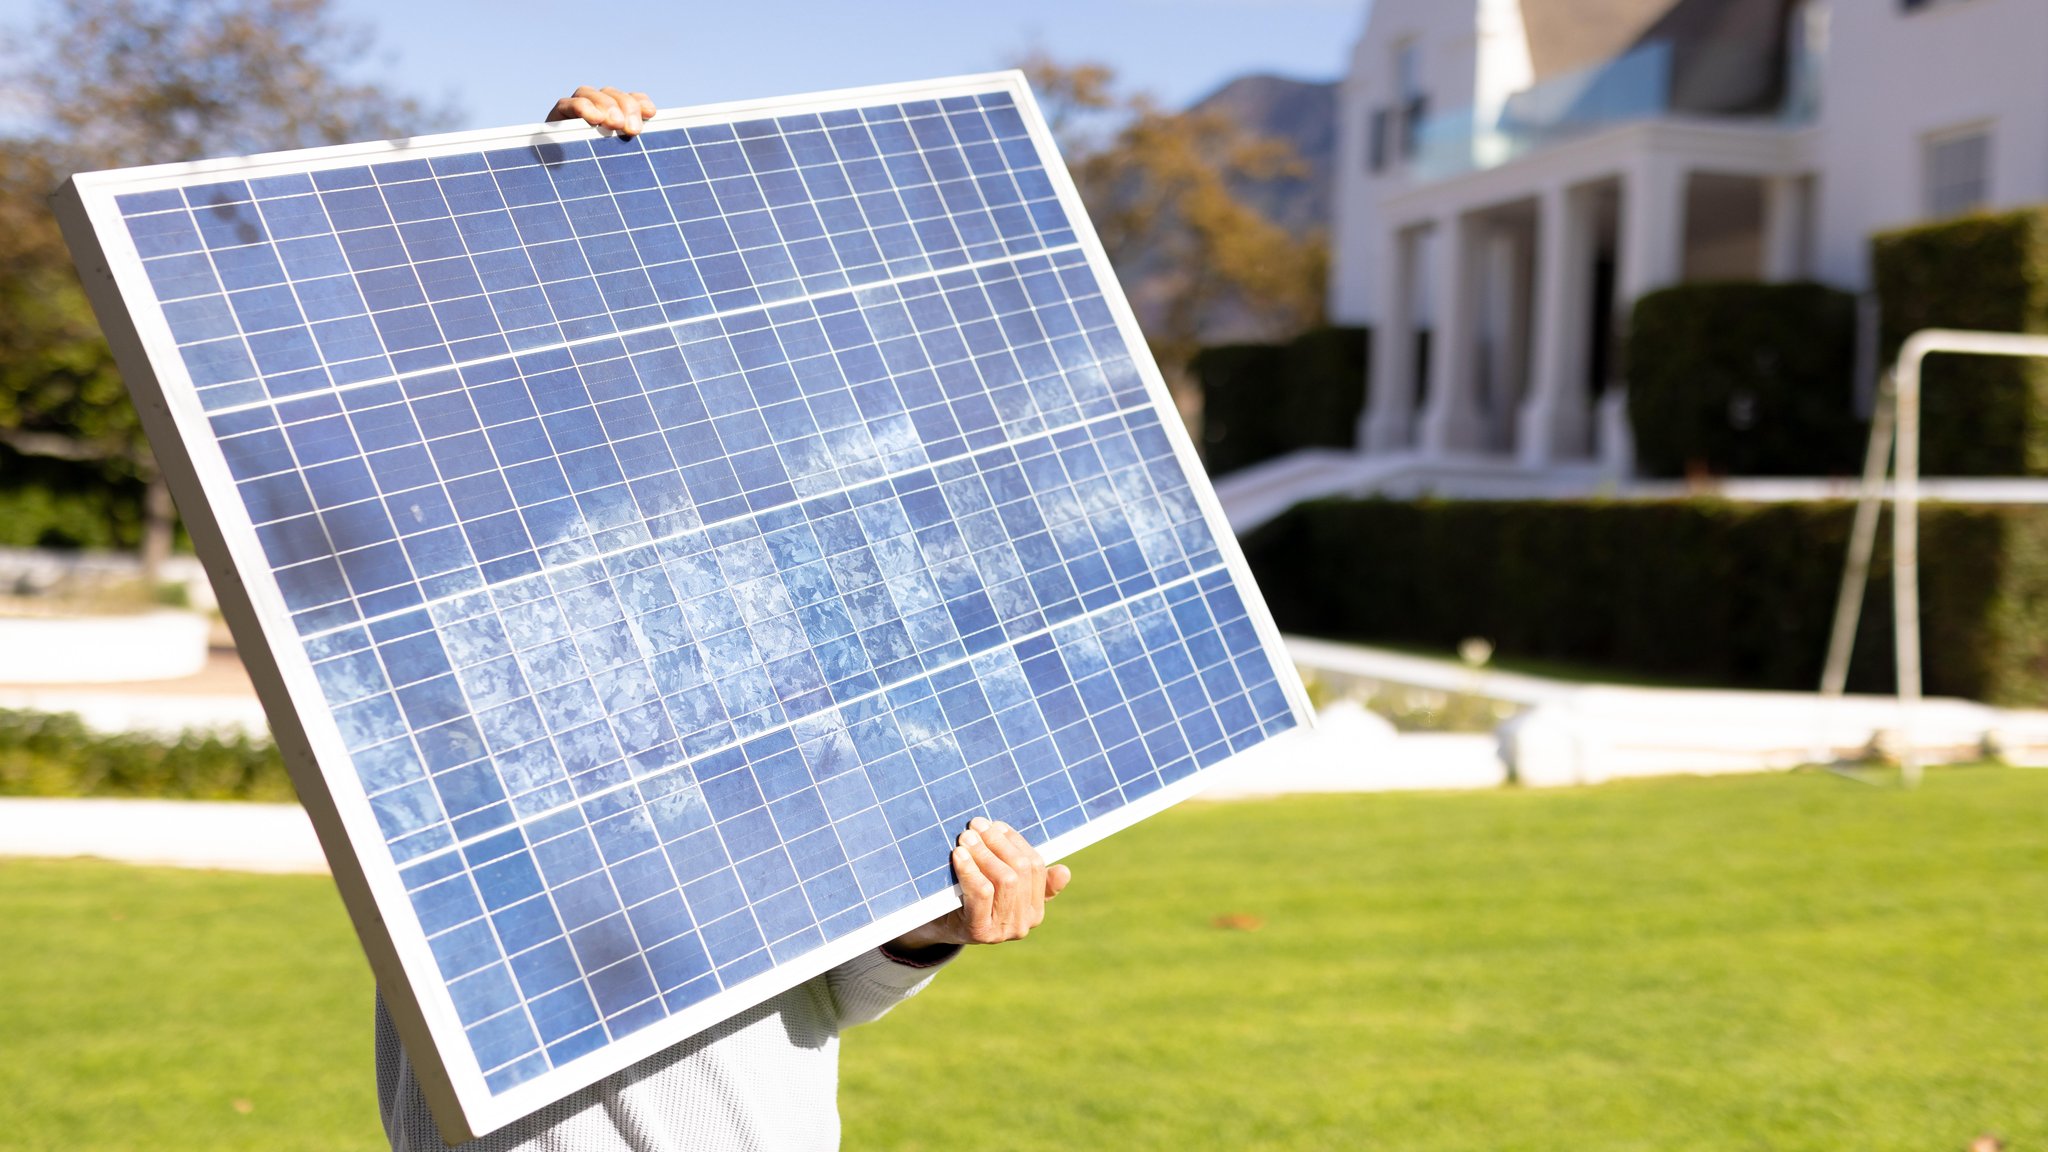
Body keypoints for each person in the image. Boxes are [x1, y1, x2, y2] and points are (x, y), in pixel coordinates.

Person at [374, 86, 1073, 1152]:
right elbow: (426, 351)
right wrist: (537, 180)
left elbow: (830, 993)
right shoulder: (450, 582)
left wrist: (927, 931)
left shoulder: (808, 610)